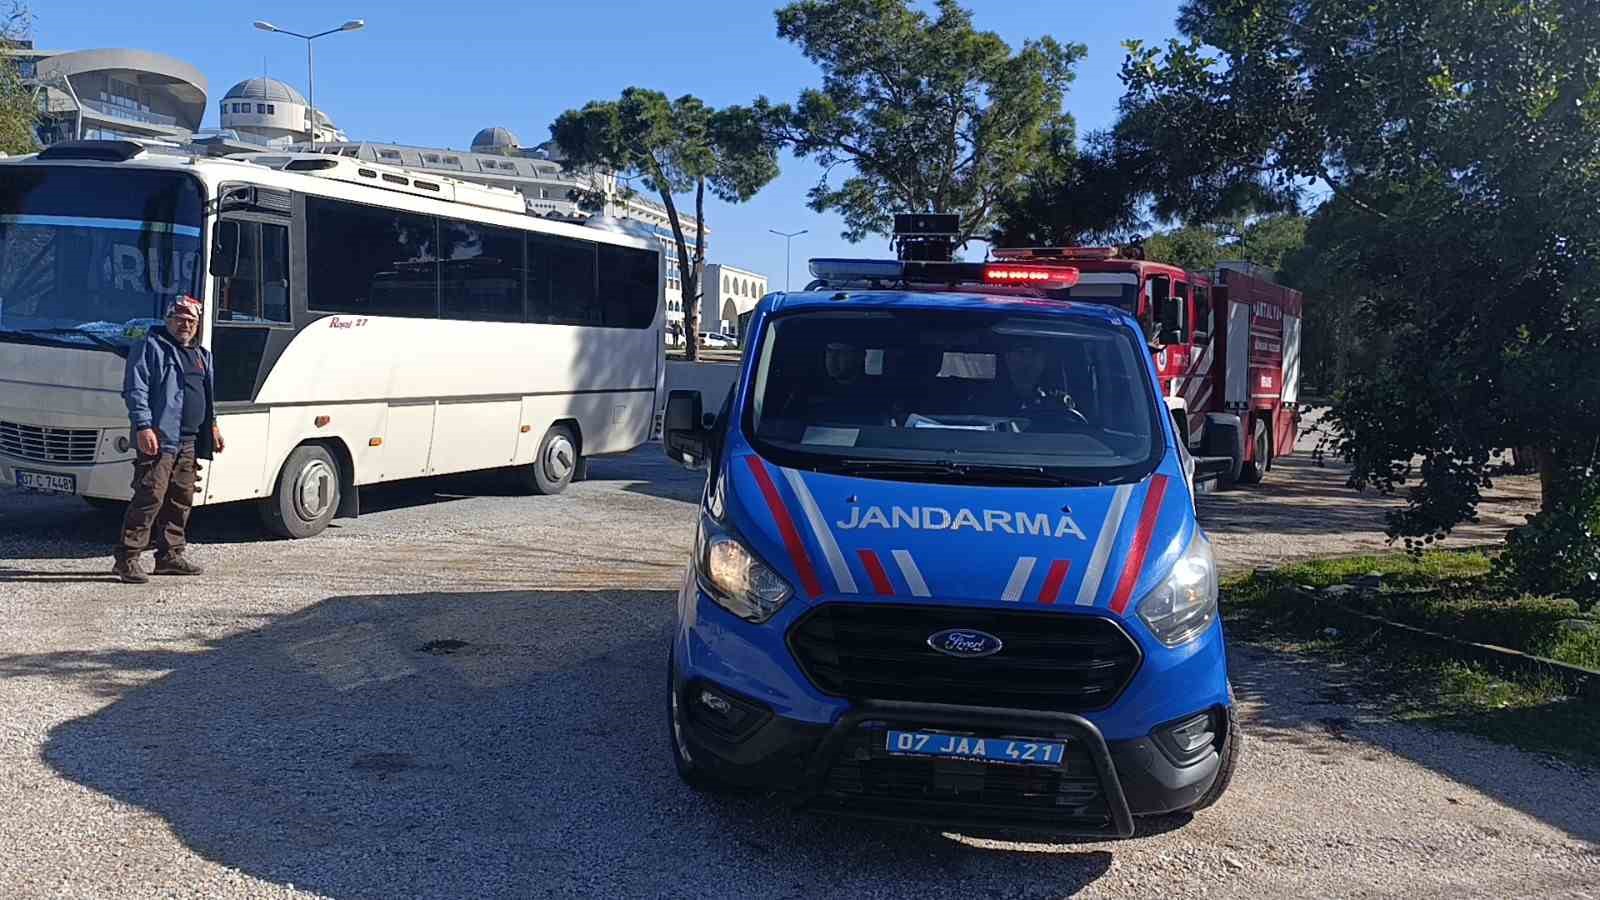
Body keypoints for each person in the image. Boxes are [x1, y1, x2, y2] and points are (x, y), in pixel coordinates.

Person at [113, 295, 224, 584]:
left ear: (198, 324)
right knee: (149, 496)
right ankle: (127, 558)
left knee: (180, 499)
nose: (185, 325)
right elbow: (135, 389)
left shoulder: (202, 355)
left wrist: (213, 425)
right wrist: (143, 426)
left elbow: (207, 396)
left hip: (189, 441)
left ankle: (169, 556)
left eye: (191, 320)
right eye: (179, 319)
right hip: (160, 438)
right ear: (168, 319)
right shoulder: (150, 346)